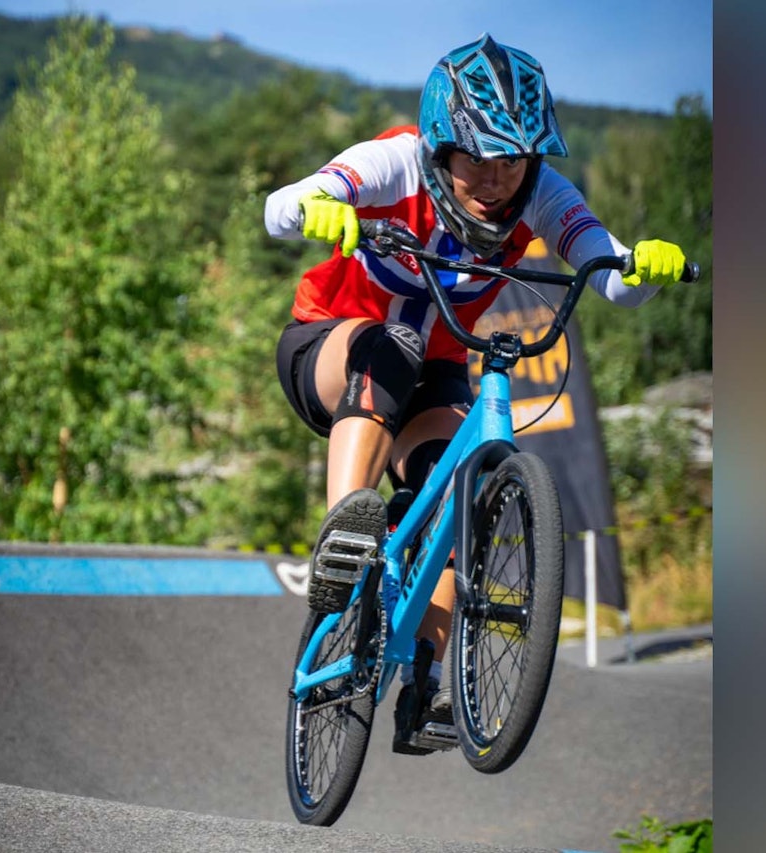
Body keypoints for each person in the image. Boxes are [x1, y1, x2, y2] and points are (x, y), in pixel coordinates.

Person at [264, 33, 686, 755]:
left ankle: (426, 682)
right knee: (390, 347)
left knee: (457, 492)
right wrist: (319, 205)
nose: (495, 180)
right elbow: (281, 206)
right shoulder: (394, 161)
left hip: (434, 372)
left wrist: (641, 266)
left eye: (511, 160)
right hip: (331, 348)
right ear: (440, 148)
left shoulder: (542, 194)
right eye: (476, 160)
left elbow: (608, 270)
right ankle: (346, 532)